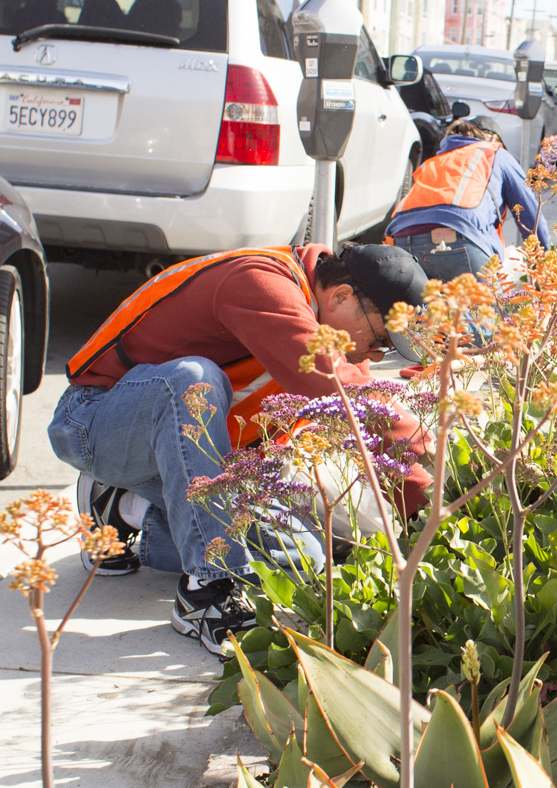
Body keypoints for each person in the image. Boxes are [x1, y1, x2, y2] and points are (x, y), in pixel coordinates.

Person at [49, 241, 431, 656]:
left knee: (300, 556)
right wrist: (423, 450)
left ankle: (123, 509)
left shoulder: (330, 330)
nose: (379, 353)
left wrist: (425, 514)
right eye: (381, 337)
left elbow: (364, 429)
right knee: (194, 379)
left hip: (177, 455)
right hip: (94, 419)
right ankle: (207, 591)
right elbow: (338, 388)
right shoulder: (260, 280)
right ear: (340, 296)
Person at [386, 116, 548, 281]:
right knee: (490, 306)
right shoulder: (495, 152)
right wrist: (542, 269)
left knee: (426, 306)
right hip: (460, 237)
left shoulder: (436, 161)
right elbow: (532, 220)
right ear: (494, 139)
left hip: (402, 241)